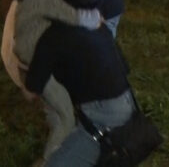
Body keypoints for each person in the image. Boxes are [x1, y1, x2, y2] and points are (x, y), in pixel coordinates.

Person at [12, 0, 101, 160]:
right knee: (66, 118)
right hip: (41, 69)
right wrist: (98, 18)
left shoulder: (27, 0)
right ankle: (52, 161)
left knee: (55, 113)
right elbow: (78, 18)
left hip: (31, 66)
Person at [24, 17, 134, 165]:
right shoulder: (97, 23)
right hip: (127, 105)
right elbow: (124, 68)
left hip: (101, 119)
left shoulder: (52, 36)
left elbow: (32, 88)